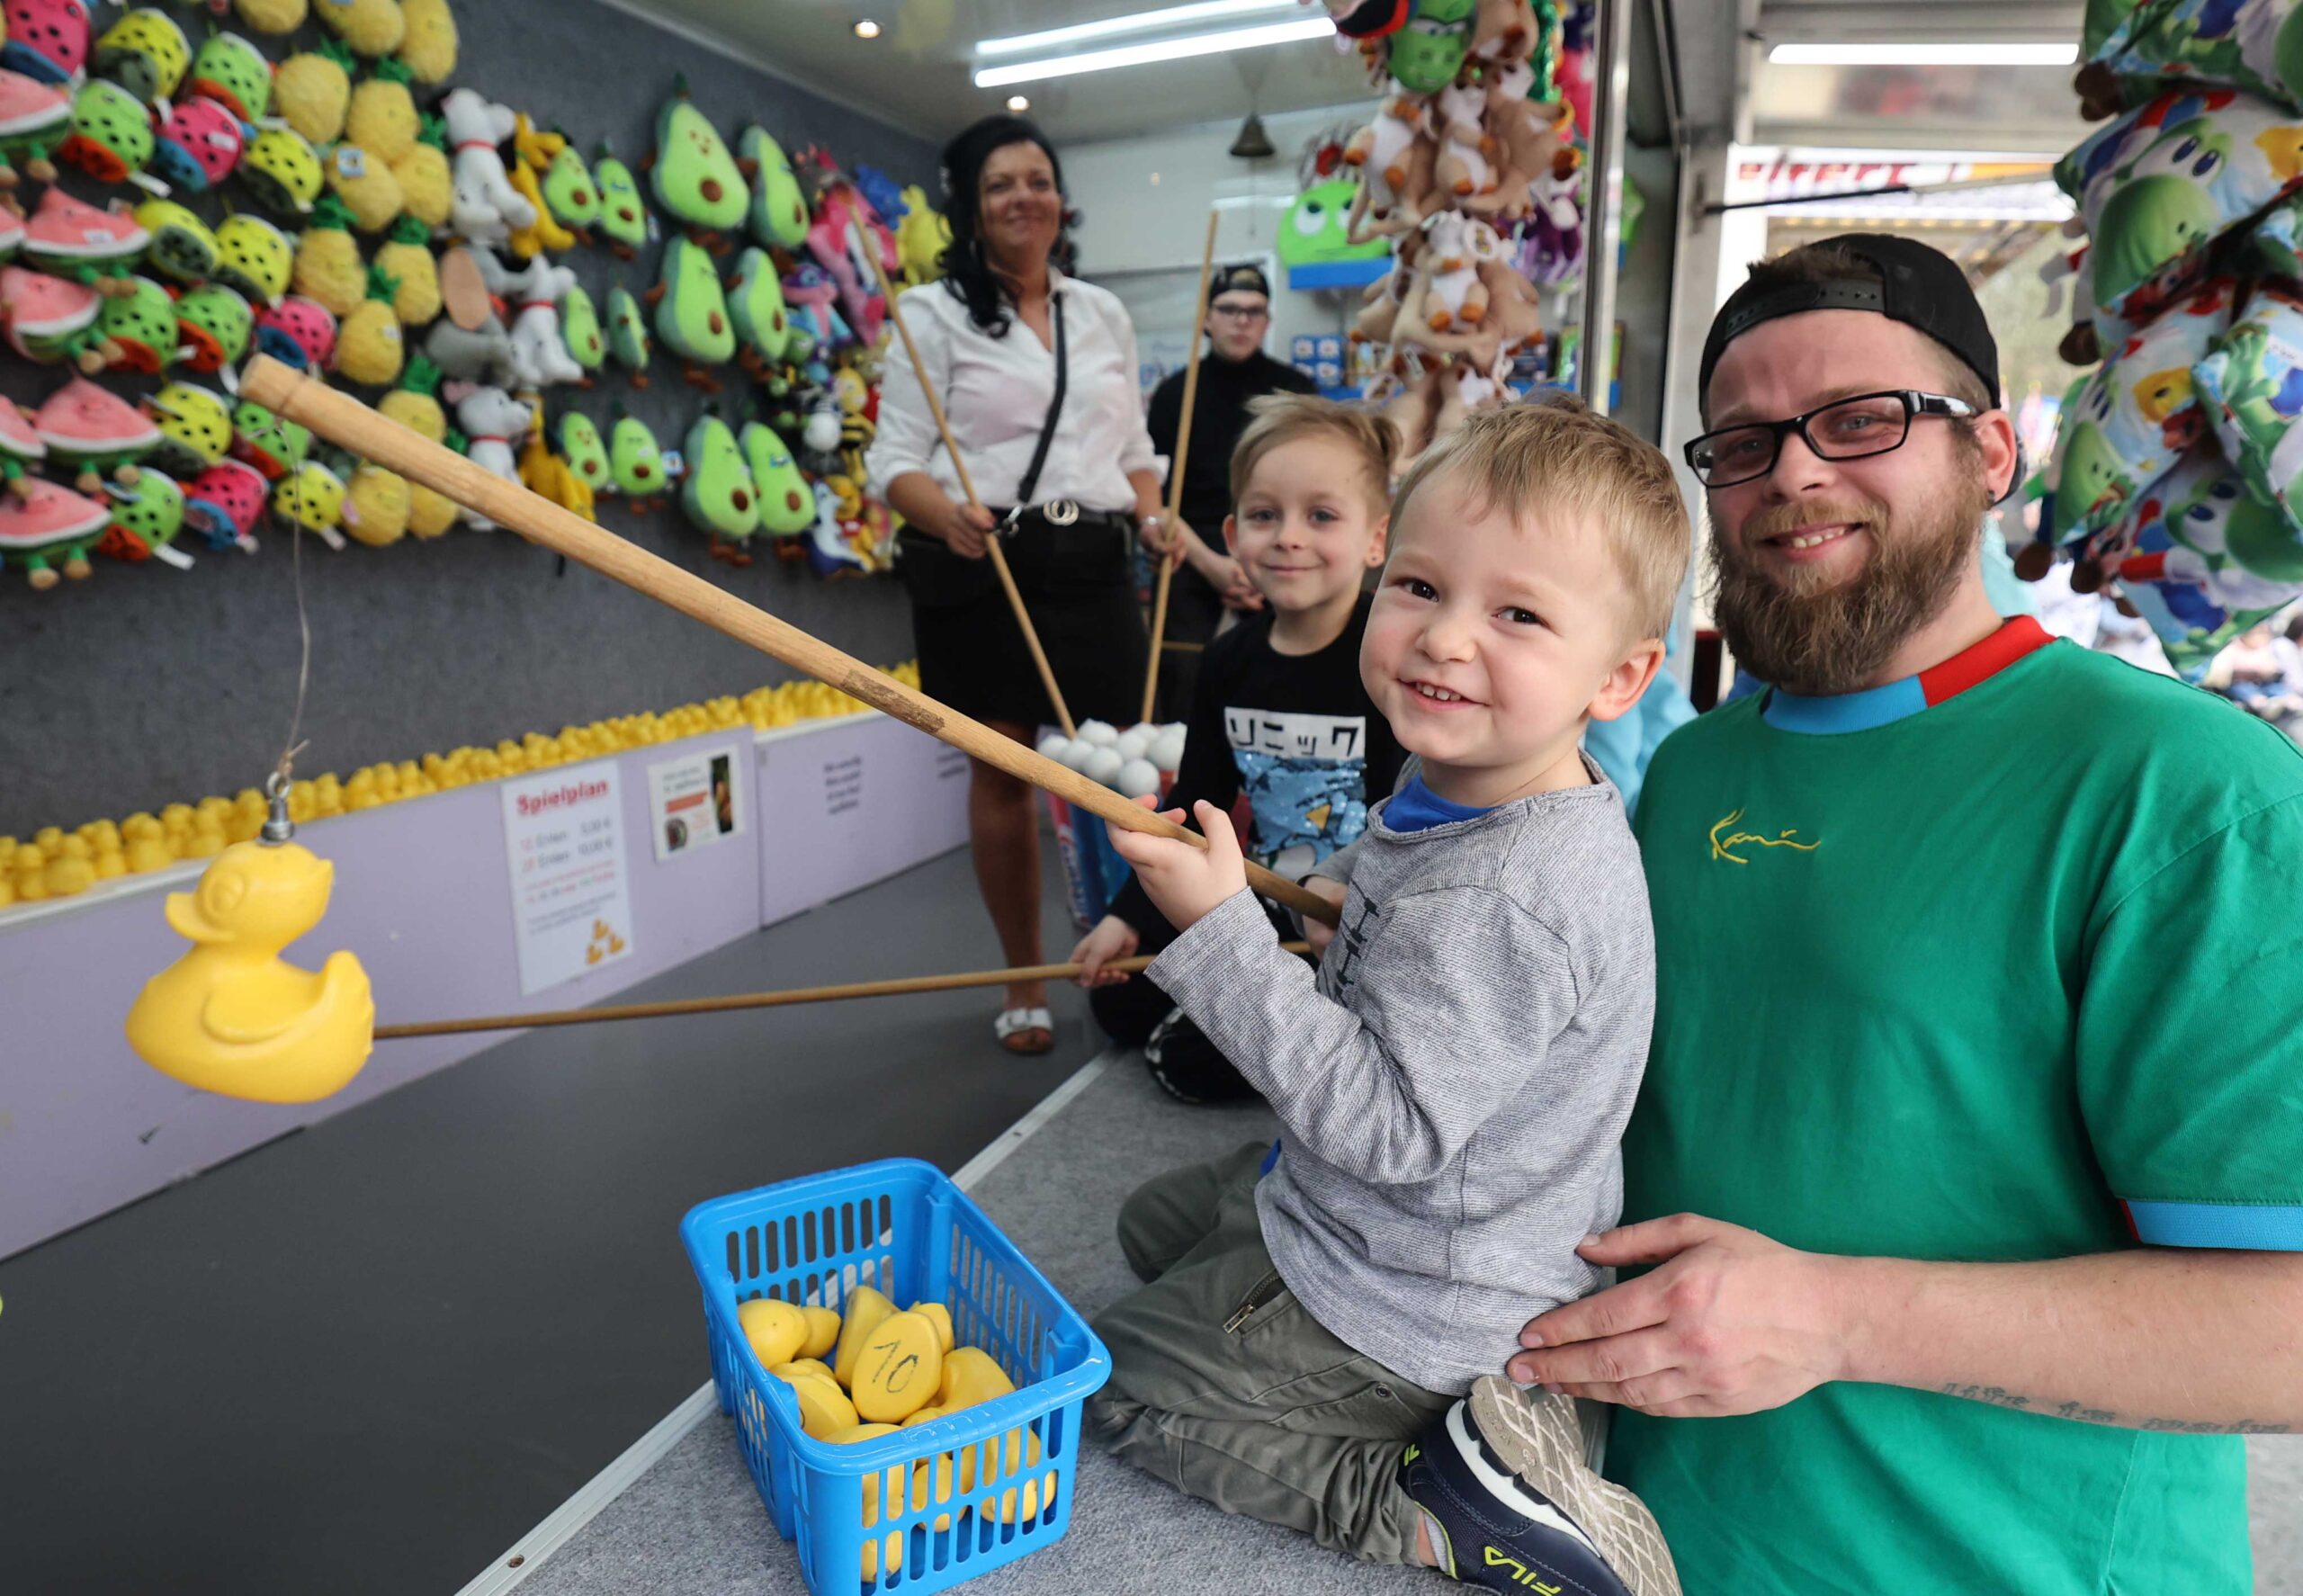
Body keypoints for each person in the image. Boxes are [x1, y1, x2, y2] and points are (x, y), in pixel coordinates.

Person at [1507, 236, 2303, 1595]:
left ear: (1992, 452)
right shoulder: (1696, 763)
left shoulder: (2182, 790)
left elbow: (2279, 1330)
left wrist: (1835, 1315)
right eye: (1744, 443)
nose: (1794, 473)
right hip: (1639, 1547)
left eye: (1863, 420)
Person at [1085, 399, 1692, 1596]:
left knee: (1112, 1385)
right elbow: (1409, 881)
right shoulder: (1476, 771)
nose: (1443, 639)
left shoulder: (1513, 894)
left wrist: (1220, 936)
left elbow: (1389, 1131)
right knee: (1155, 1224)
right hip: (1434, 1219)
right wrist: (1331, 896)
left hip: (1429, 1283)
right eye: (1420, 587)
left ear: (1619, 676)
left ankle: (1436, 1506)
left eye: (1516, 612)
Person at [865, 114, 1169, 1055]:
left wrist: (1154, 515)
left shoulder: (1099, 312)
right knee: (1001, 772)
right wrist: (939, 513)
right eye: (1000, 184)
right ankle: (1022, 978)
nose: (1023, 197)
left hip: (1094, 564)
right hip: (981, 560)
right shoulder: (928, 316)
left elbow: (1130, 451)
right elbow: (895, 462)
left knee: (1128, 775)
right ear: (969, 205)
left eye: (1037, 179)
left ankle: (1140, 953)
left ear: (1059, 196)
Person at [1068, 394, 1404, 1104]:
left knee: (1178, 1065)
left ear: (1377, 539)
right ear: (1231, 532)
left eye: (1321, 515)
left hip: (1356, 918)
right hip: (1266, 903)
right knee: (1117, 1005)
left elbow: (1405, 814)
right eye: (1264, 515)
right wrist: (1126, 917)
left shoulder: (1391, 656)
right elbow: (1193, 809)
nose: (1288, 536)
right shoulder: (1228, 661)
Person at [1142, 265, 1318, 719]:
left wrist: (1256, 562)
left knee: (1279, 685)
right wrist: (1215, 566)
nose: (1242, 321)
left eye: (1254, 312)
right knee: (1183, 685)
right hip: (1193, 553)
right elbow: (1155, 501)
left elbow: (1316, 492)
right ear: (1206, 318)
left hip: (1277, 548)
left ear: (1268, 321)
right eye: (1230, 309)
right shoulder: (1173, 394)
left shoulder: (1297, 393)